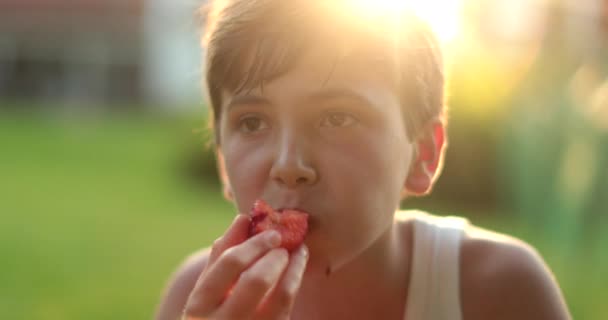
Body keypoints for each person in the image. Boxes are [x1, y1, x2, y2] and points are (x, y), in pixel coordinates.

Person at [155, 1, 571, 319]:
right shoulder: (198, 299)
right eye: (252, 122)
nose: (288, 164)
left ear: (422, 154)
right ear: (224, 162)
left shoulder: (500, 291)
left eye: (337, 117)